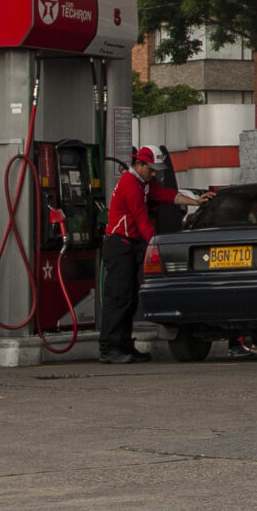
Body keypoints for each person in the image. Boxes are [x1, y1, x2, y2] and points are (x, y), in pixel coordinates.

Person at [98, 146, 160, 365]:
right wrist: (155, 245)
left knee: (129, 299)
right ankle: (109, 347)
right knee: (118, 297)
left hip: (129, 246)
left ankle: (123, 344)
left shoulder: (142, 184)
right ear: (139, 164)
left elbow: (164, 194)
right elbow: (141, 218)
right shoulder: (130, 183)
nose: (154, 174)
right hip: (119, 245)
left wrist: (194, 201)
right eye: (151, 169)